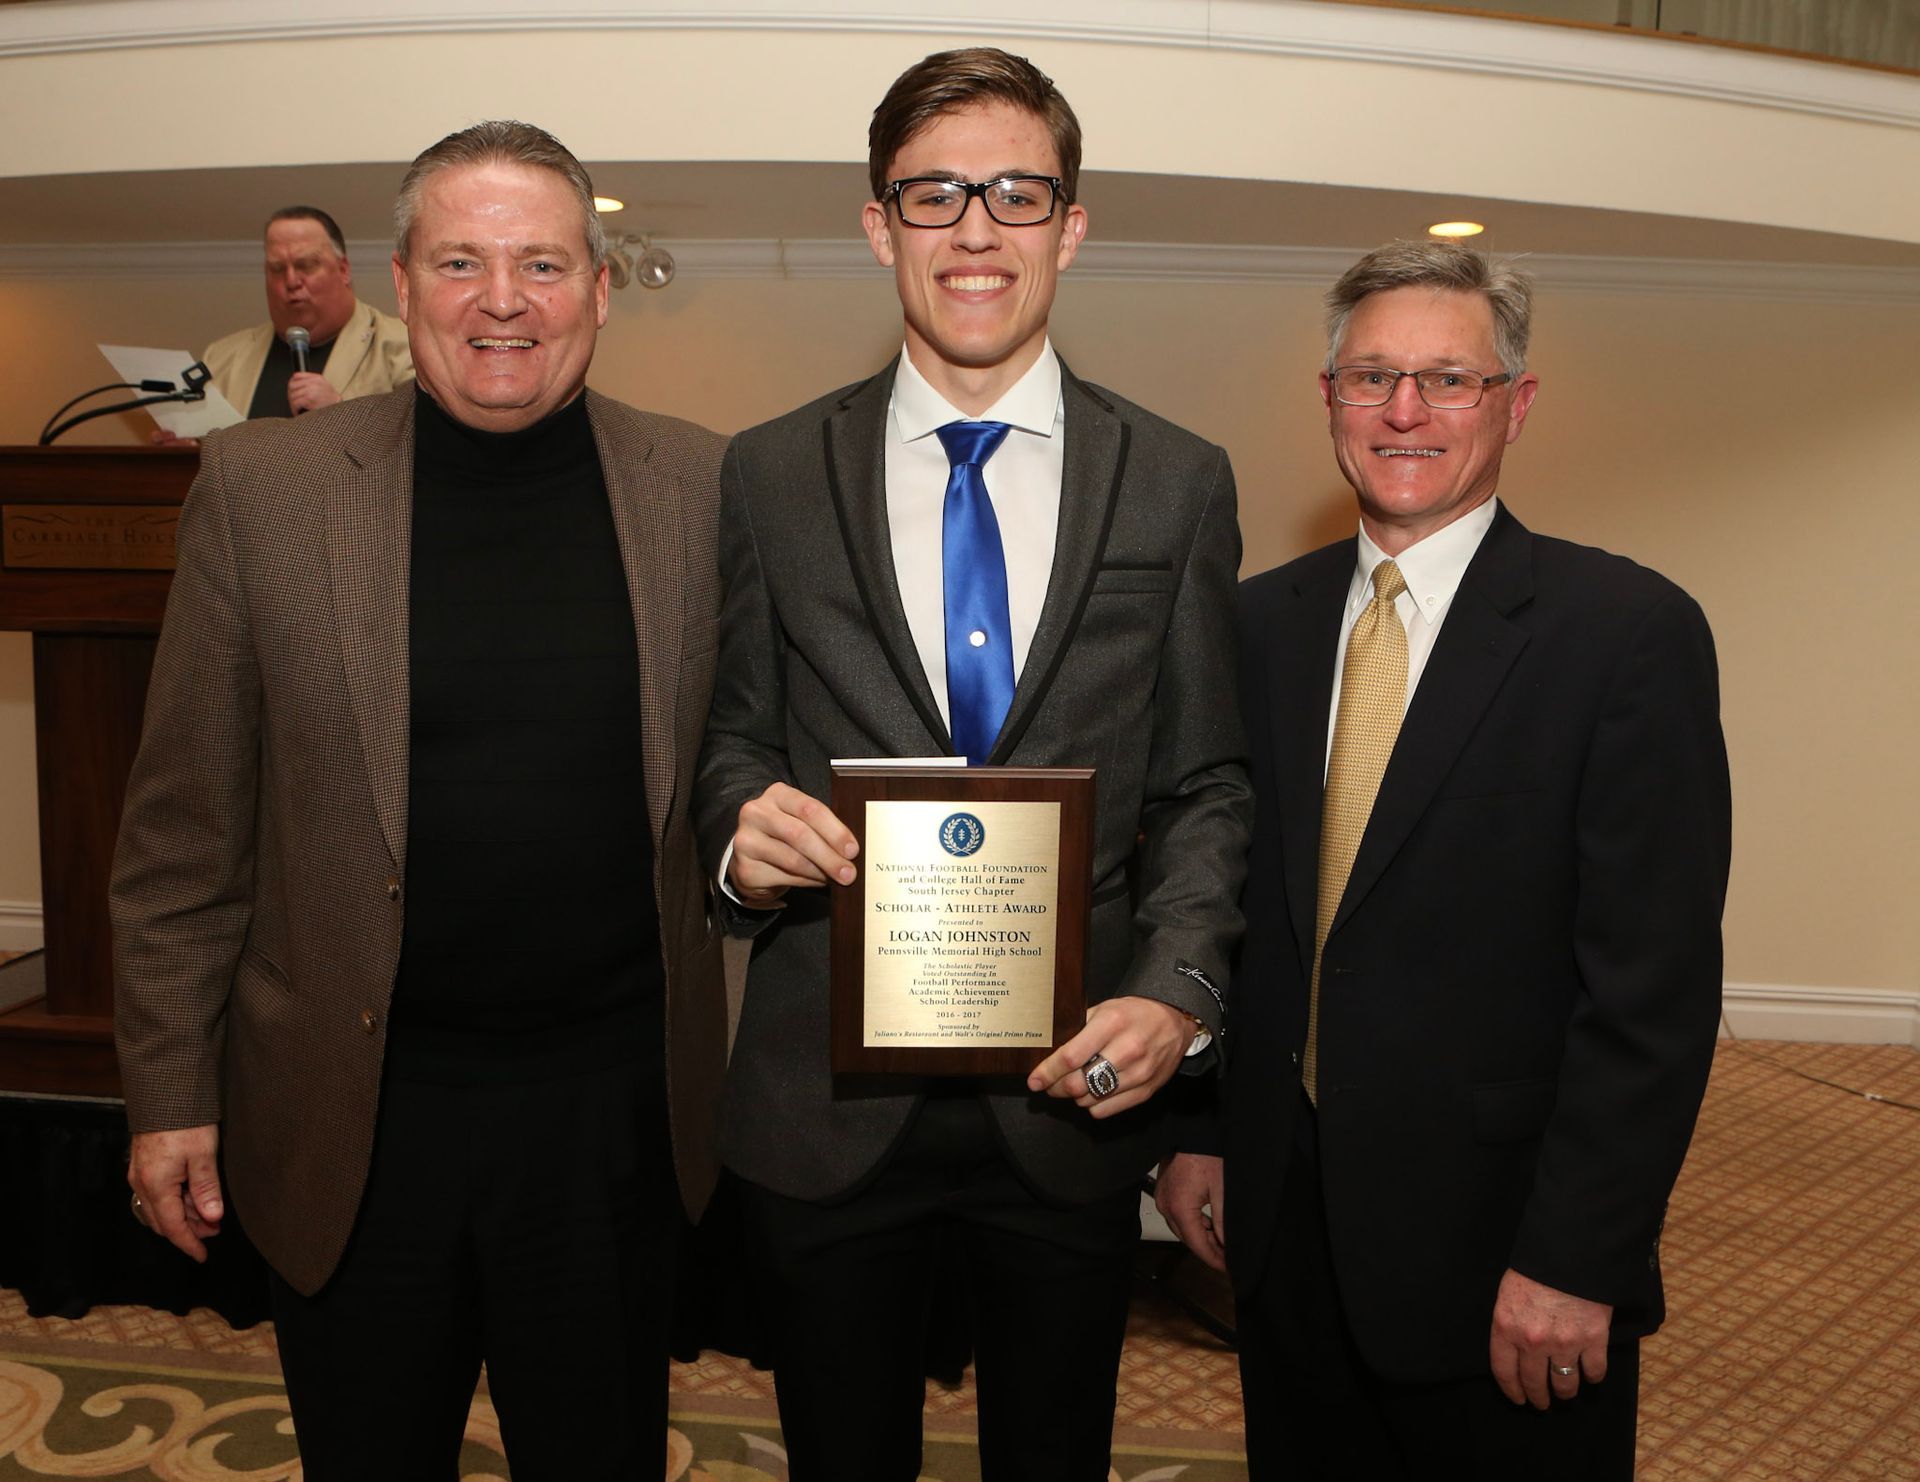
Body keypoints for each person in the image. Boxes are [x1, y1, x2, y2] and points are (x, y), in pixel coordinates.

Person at [113, 120, 728, 1479]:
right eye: (461, 260)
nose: (502, 300)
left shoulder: (703, 486)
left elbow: (743, 765)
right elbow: (181, 837)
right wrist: (167, 1090)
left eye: (542, 264)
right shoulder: (259, 491)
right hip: (355, 1119)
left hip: (609, 1120)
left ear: (600, 286)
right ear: (403, 281)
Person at [694, 46, 1252, 1481]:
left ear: (1071, 226)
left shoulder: (1178, 479)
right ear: (880, 226)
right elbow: (734, 735)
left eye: (1017, 192)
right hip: (825, 1103)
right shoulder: (762, 474)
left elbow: (1204, 785)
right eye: (935, 194)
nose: (976, 228)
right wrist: (735, 835)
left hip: (1072, 1099)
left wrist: (1177, 990)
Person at [1157, 240, 1731, 1479]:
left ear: (1515, 405)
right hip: (1284, 1233)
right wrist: (1198, 1127)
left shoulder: (1626, 637)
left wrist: (1579, 1257)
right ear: (1328, 402)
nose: (1403, 411)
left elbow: (1653, 995)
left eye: (1446, 380)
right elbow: (1223, 902)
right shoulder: (1255, 624)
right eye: (1370, 378)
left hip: (1507, 1263)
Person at [203, 206, 413, 419]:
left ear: (343, 270)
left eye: (306, 265)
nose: (292, 281)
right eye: (277, 269)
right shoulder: (221, 358)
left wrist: (339, 411)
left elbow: (419, 439)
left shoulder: (404, 345)